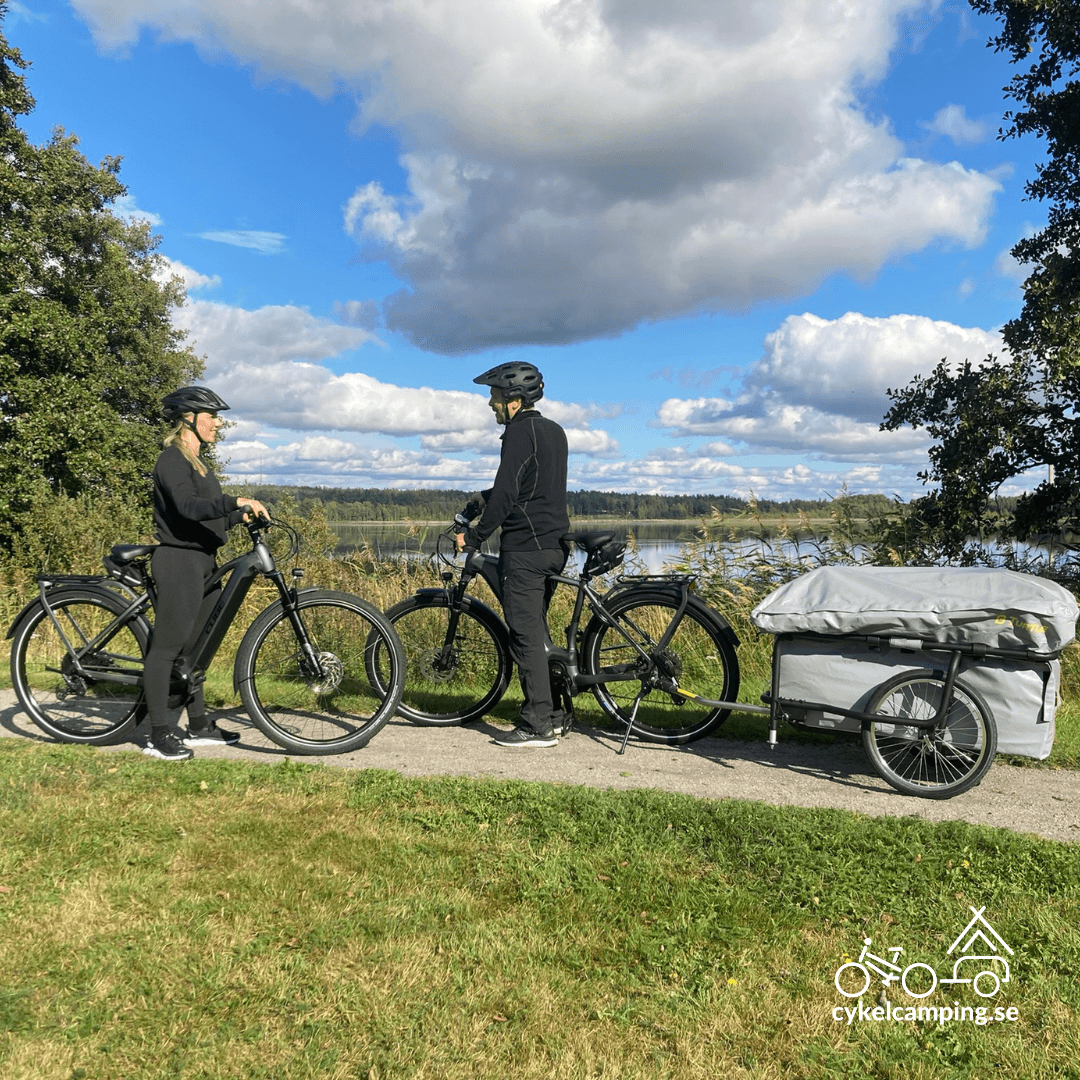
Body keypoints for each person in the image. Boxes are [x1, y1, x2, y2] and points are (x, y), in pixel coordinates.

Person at [141, 386, 270, 761]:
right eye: (211, 416)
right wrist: (234, 500)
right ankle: (158, 733)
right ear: (188, 420)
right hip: (178, 561)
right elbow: (187, 507)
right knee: (167, 648)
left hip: (203, 562)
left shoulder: (199, 463)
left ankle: (197, 725)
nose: (217, 422)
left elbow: (208, 516)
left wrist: (236, 515)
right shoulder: (171, 460)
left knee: (195, 651)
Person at [455, 362, 570, 748]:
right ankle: (554, 714)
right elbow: (529, 486)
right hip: (553, 547)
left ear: (514, 401)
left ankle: (538, 725)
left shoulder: (519, 433)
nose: (491, 404)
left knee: (523, 637)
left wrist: (475, 536)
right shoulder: (554, 431)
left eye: (494, 397)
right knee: (536, 634)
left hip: (525, 551)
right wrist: (481, 499)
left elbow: (507, 492)